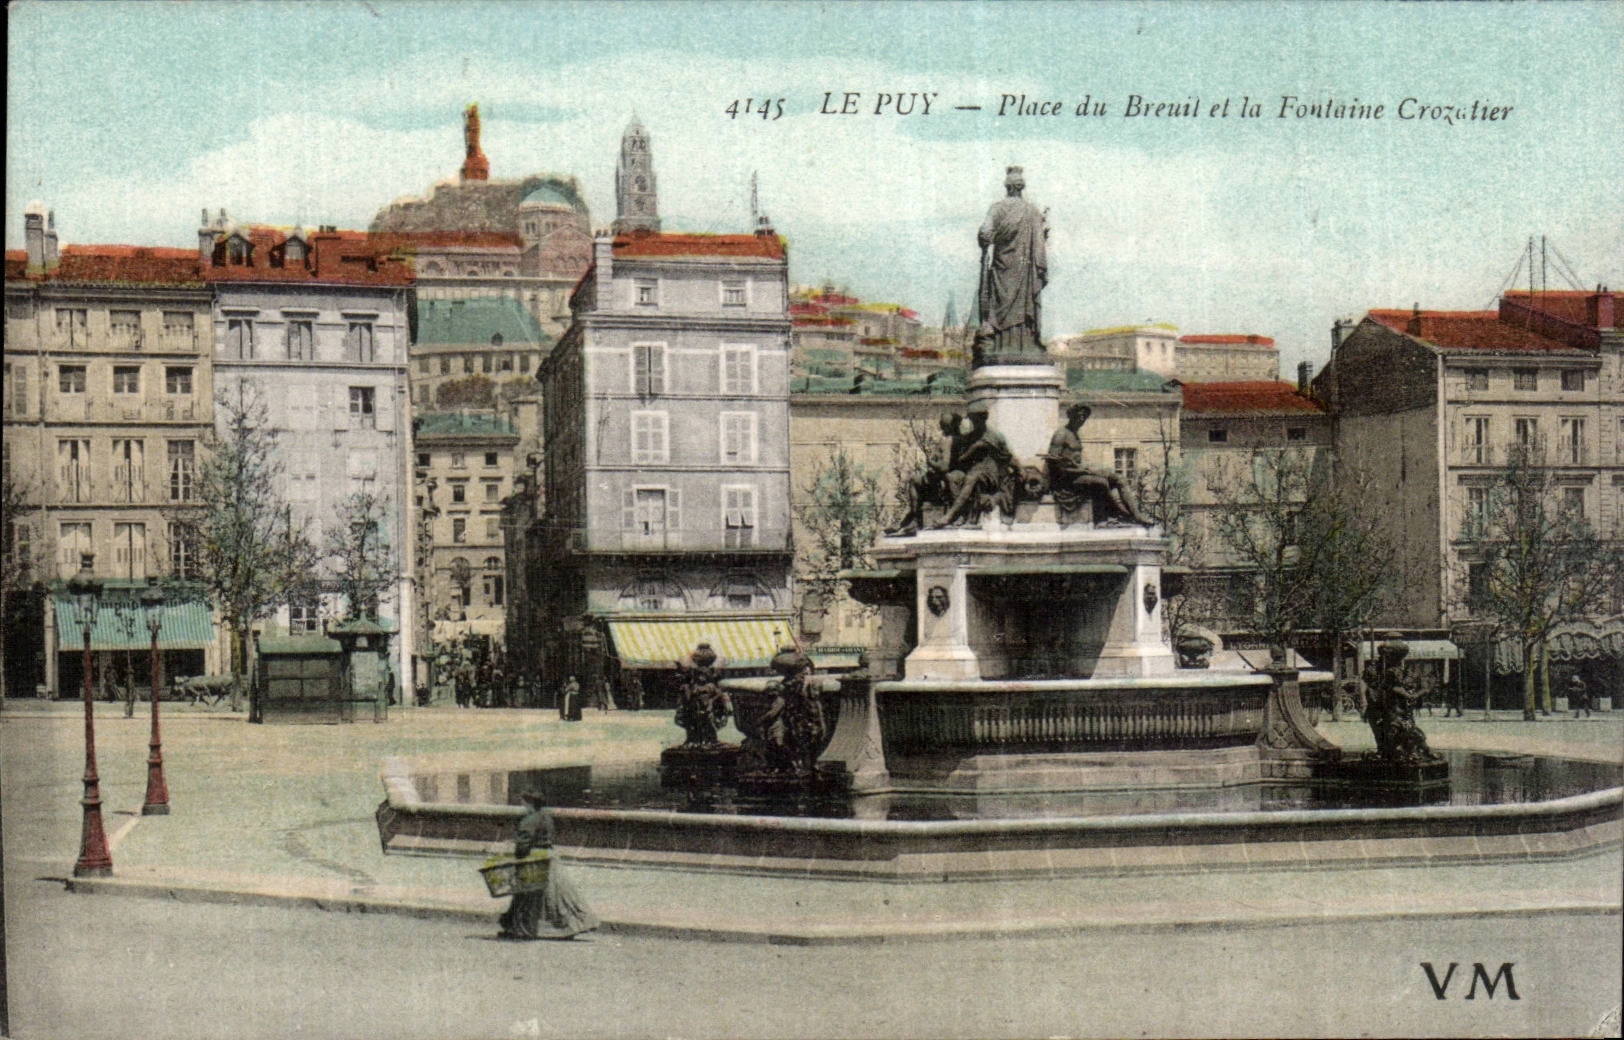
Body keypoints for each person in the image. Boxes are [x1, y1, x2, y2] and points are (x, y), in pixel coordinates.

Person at [497, 793, 598, 941]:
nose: (522, 804)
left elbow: (523, 843)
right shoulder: (547, 817)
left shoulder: (529, 820)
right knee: (557, 895)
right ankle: (569, 926)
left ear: (529, 802)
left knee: (527, 896)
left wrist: (518, 856)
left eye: (523, 801)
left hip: (535, 858)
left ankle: (522, 929)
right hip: (550, 857)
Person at [974, 166, 1048, 363]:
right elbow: (1039, 244)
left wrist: (986, 239)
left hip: (1002, 270)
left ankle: (1001, 345)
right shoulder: (1032, 211)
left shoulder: (997, 208)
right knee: (1024, 307)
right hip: (1025, 272)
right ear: (1021, 187)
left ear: (1007, 187)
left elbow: (985, 233)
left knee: (1000, 306)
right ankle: (1025, 345)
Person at [1044, 404, 1152, 526]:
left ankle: (1137, 514)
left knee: (1118, 477)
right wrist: (1081, 471)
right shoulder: (1061, 434)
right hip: (1067, 480)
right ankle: (1116, 515)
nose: (1082, 420)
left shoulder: (1075, 435)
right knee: (1101, 482)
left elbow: (1075, 459)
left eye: (1085, 417)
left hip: (1079, 473)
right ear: (1072, 416)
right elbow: (1054, 464)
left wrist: (1087, 468)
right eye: (1080, 416)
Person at [887, 411, 965, 537]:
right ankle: (912, 518)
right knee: (916, 479)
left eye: (943, 425)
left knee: (914, 480)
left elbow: (944, 467)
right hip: (943, 477)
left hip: (942, 478)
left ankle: (915, 519)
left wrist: (931, 462)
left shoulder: (948, 441)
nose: (941, 428)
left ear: (949, 426)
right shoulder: (959, 440)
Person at [940, 402, 1015, 527]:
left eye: (976, 420)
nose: (974, 423)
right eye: (972, 420)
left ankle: (951, 515)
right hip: (973, 471)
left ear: (984, 418)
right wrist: (973, 448)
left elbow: (1007, 458)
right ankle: (961, 516)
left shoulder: (995, 436)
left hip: (991, 475)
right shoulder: (970, 437)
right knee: (953, 477)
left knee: (972, 478)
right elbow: (961, 460)